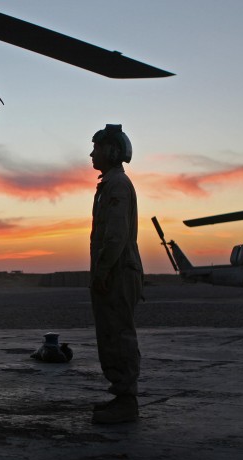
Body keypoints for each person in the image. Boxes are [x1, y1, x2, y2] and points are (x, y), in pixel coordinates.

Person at [89, 123, 143, 424]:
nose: (91, 154)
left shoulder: (117, 186)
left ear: (111, 151)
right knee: (110, 333)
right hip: (113, 270)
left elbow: (116, 234)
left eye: (96, 148)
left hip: (118, 272)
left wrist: (103, 270)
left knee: (119, 334)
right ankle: (121, 395)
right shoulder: (109, 185)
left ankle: (127, 401)